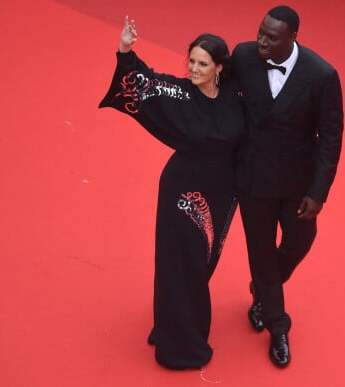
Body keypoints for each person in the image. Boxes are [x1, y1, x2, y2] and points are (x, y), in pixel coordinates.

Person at [99, 17, 245, 370]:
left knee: (202, 262)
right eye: (191, 61)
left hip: (222, 193)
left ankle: (175, 324)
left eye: (202, 63)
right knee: (178, 264)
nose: (194, 69)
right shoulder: (180, 94)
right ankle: (179, 346)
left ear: (219, 67)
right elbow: (145, 83)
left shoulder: (235, 97)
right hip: (182, 193)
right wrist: (125, 49)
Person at [231, 5, 344, 368]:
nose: (261, 40)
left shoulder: (322, 74)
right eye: (260, 32)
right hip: (253, 178)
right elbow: (223, 101)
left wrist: (318, 192)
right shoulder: (244, 55)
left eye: (271, 37)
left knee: (300, 242)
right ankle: (278, 327)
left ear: (293, 38)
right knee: (260, 251)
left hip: (298, 182)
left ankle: (263, 288)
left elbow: (330, 136)